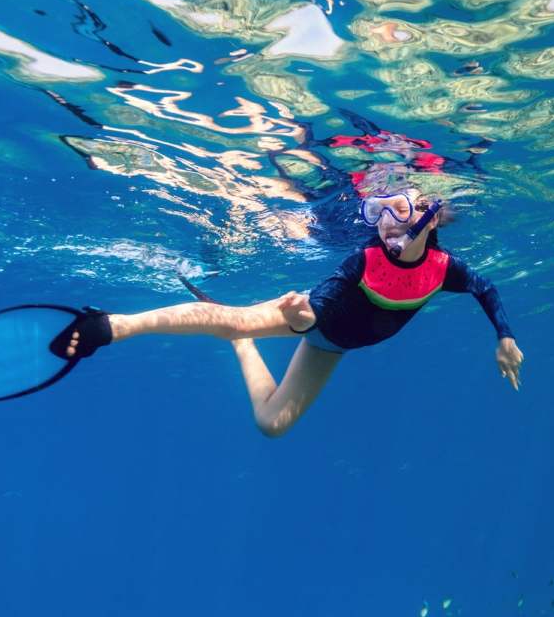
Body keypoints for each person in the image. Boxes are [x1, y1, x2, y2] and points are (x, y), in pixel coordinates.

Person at [53, 186, 524, 437]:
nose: (383, 221)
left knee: (272, 425)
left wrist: (503, 337)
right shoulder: (365, 260)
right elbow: (327, 300)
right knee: (237, 318)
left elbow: (486, 288)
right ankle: (108, 326)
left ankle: (244, 348)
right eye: (376, 211)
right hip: (318, 319)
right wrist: (302, 316)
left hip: (333, 345)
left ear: (429, 215)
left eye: (395, 209)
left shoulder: (444, 269)